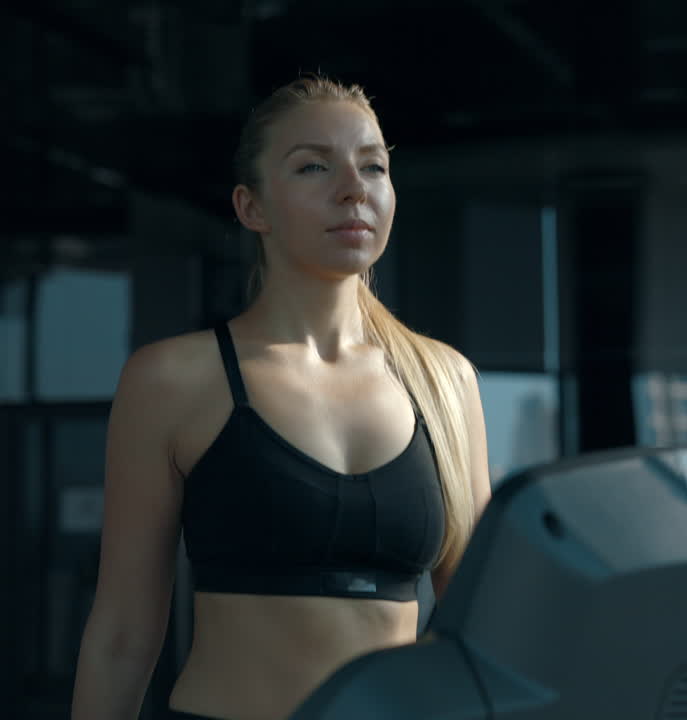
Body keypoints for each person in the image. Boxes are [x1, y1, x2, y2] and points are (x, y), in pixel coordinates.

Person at [70, 74, 492, 720]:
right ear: (252, 208)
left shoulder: (445, 381)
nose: (354, 189)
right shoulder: (173, 381)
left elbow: (483, 632)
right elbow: (123, 637)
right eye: (313, 166)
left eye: (373, 166)